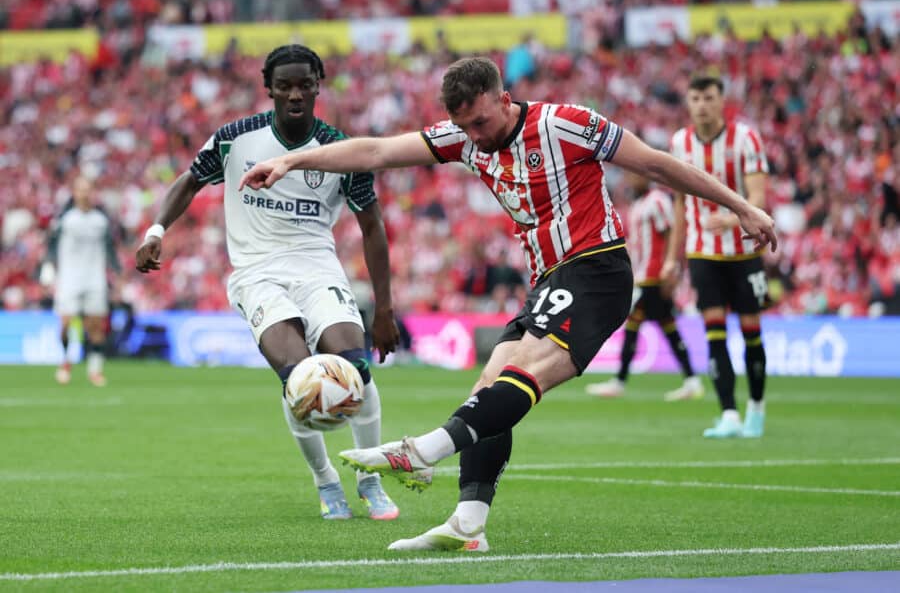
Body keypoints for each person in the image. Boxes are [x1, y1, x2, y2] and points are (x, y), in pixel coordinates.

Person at [240, 57, 776, 551]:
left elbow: (658, 164)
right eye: (465, 128)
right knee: (488, 384)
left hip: (598, 268)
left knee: (520, 373)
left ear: (504, 98)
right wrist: (294, 160)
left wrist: (741, 206)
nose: (475, 137)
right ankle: (468, 524)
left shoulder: (566, 123)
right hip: (548, 281)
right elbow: (377, 151)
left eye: (481, 123)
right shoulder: (464, 138)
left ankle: (423, 450)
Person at [135, 45, 402, 521]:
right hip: (257, 273)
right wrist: (156, 231)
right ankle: (326, 484)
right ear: (269, 88)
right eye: (285, 86)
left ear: (319, 84)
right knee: (298, 377)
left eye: (304, 84)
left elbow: (372, 227)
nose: (295, 94)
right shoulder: (236, 138)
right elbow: (190, 181)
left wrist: (383, 310)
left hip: (318, 267)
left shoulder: (340, 150)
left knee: (355, 366)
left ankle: (370, 478)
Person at [660, 74, 770, 439]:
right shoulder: (679, 142)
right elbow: (679, 203)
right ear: (688, 103)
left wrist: (735, 215)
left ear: (722, 101)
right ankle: (728, 414)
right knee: (715, 335)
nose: (702, 105)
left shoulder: (746, 139)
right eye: (695, 98)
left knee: (752, 334)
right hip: (702, 253)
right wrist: (673, 258)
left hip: (743, 252)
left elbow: (758, 195)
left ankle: (756, 407)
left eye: (708, 97)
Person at [586, 171, 703, 401]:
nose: (630, 179)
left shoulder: (657, 201)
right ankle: (692, 380)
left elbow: (671, 234)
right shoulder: (639, 204)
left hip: (655, 276)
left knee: (633, 326)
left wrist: (672, 270)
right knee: (668, 328)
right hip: (643, 275)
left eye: (634, 176)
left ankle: (620, 381)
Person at [46, 175, 121, 387]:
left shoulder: (101, 220)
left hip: (94, 279)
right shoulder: (65, 219)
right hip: (69, 278)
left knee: (95, 327)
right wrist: (48, 269)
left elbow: (110, 250)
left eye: (88, 189)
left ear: (92, 192)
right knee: (66, 323)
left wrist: (117, 273)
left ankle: (95, 370)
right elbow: (51, 246)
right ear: (74, 192)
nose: (84, 193)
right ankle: (65, 361)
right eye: (80, 189)